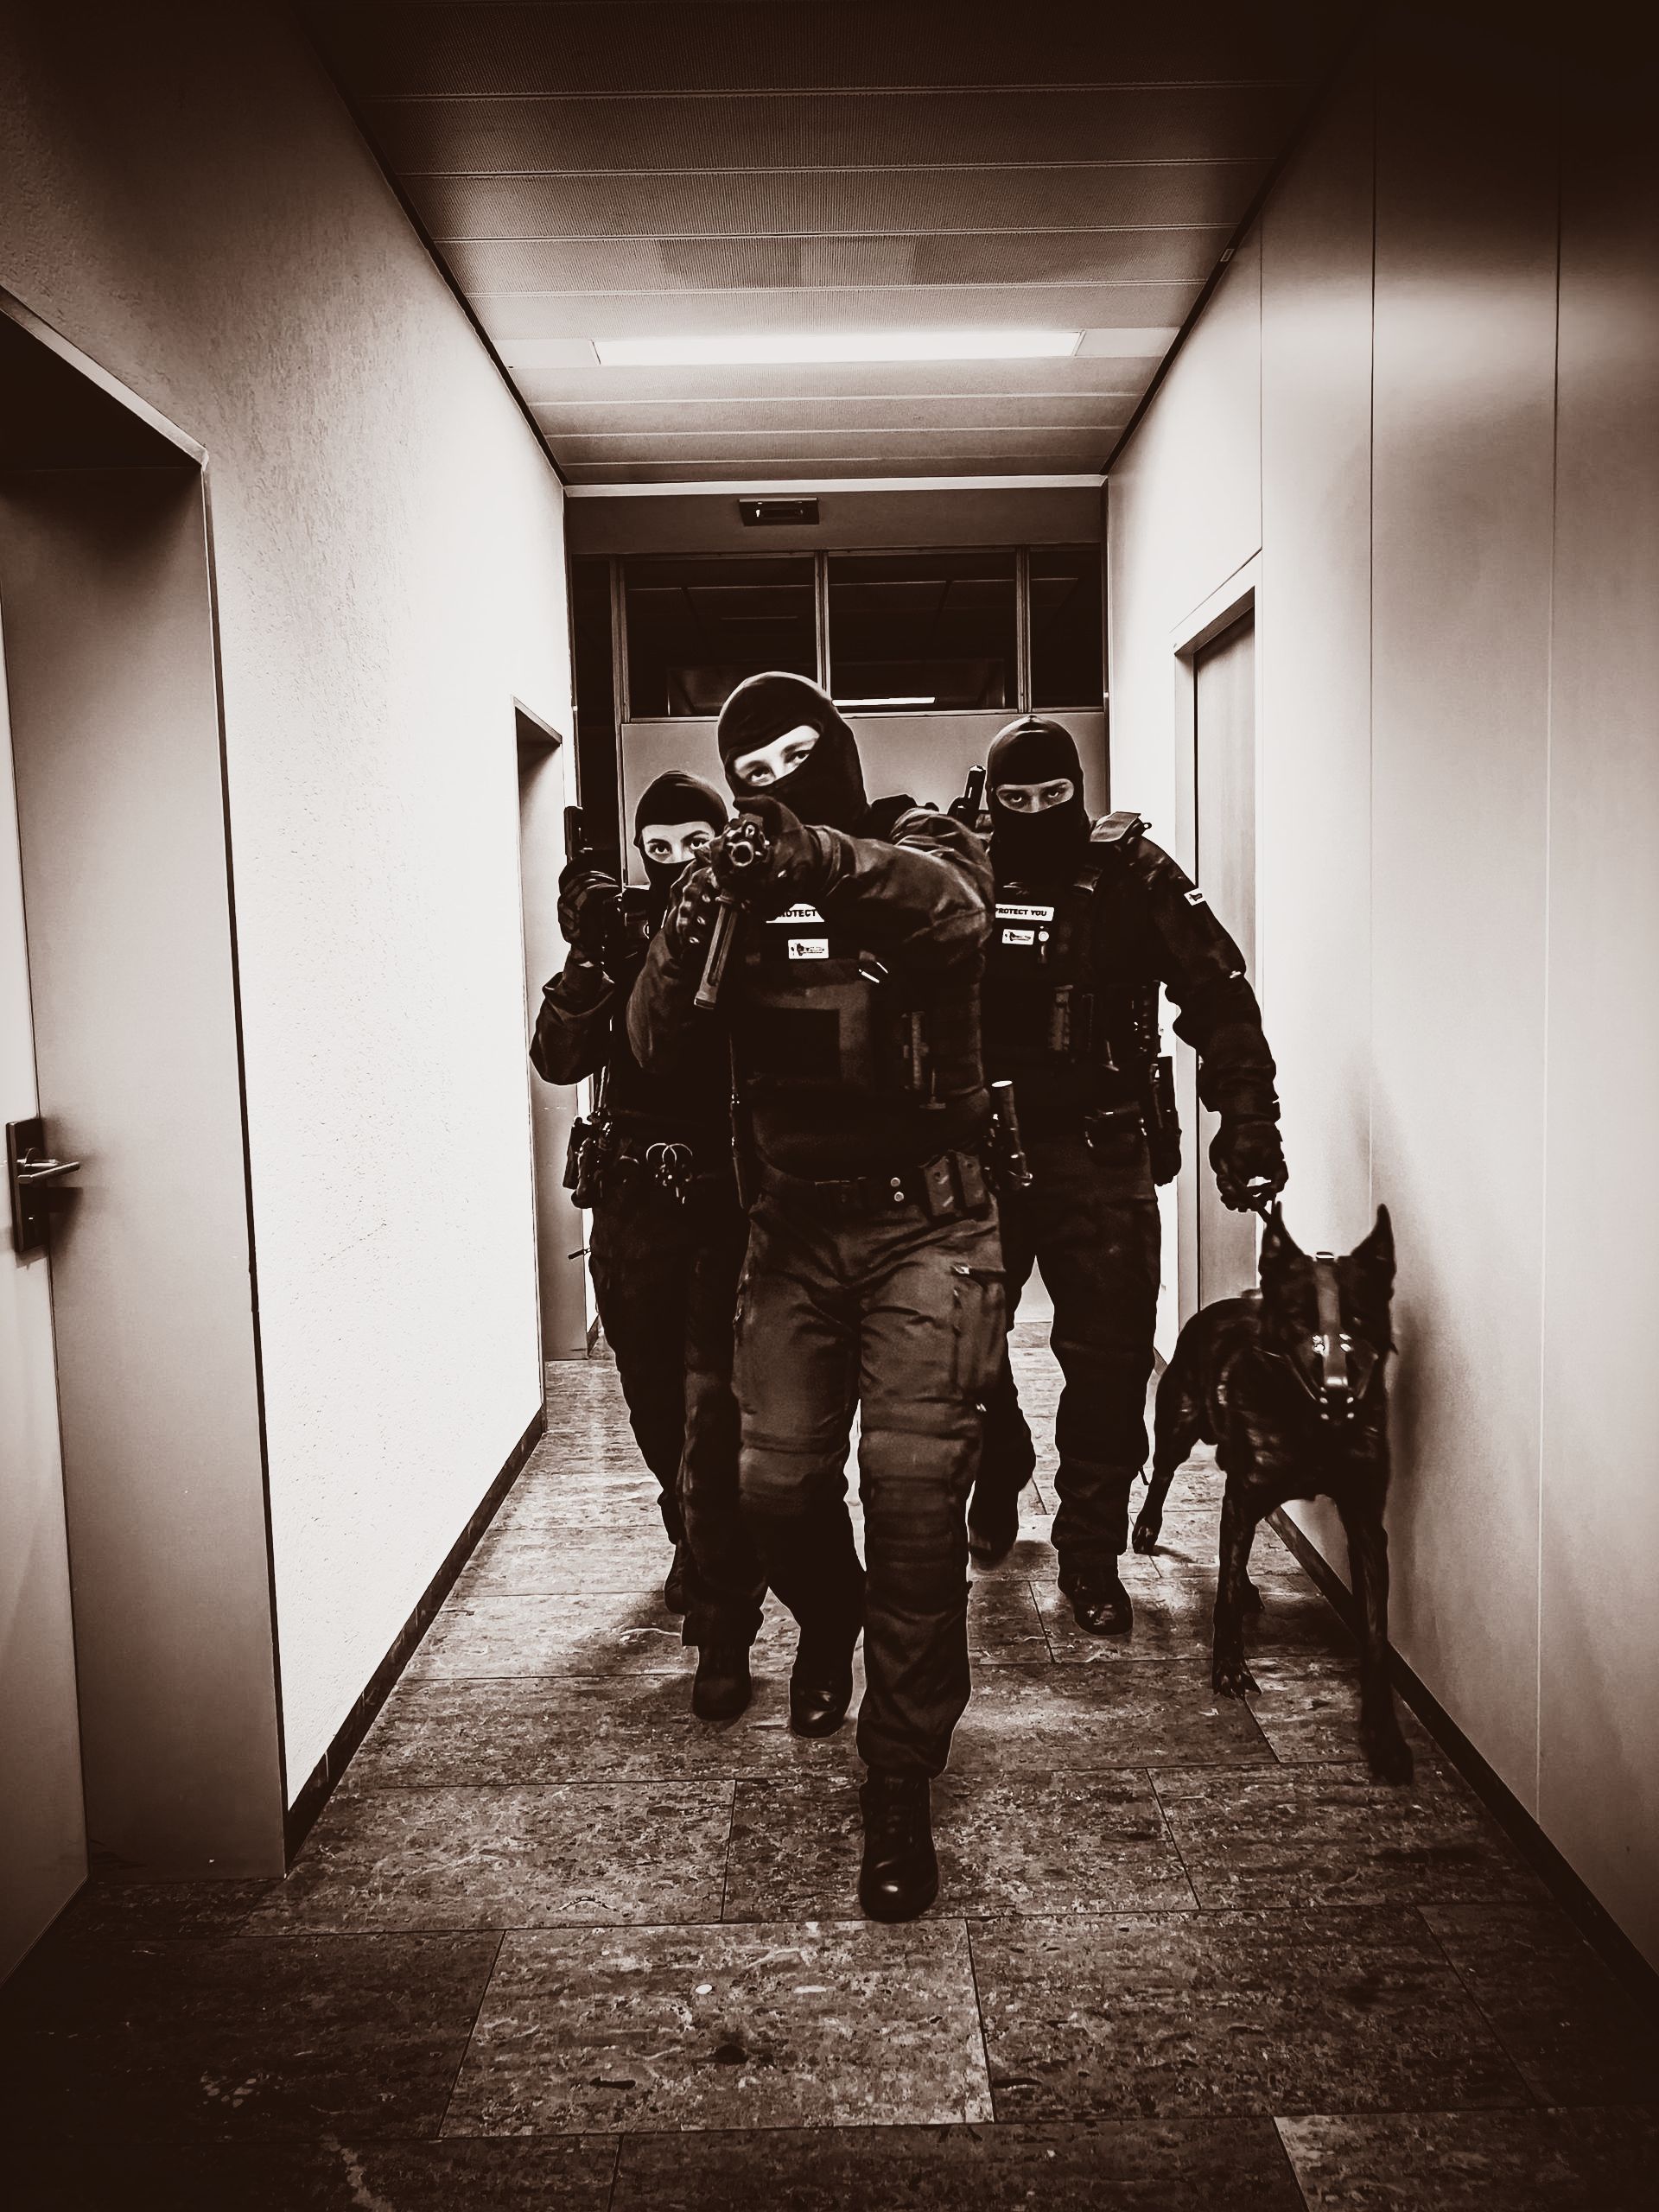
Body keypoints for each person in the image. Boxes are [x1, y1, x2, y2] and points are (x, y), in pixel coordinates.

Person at [628, 673, 1001, 1922]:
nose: (780, 785)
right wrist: (693, 917)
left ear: (837, 751)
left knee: (914, 1505)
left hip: (929, 1226)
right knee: (773, 1487)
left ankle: (899, 1775)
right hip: (790, 1231)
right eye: (757, 775)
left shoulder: (918, 842)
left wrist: (817, 857)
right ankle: (830, 1616)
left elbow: (956, 916)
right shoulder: (729, 887)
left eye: (801, 756)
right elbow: (655, 1045)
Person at [969, 715, 1286, 1633]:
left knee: (1108, 1368)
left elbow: (1220, 996)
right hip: (978, 1154)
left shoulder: (1134, 875)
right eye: (1015, 798)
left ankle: (1089, 1550)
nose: (1035, 812)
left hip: (1100, 1155)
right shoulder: (959, 874)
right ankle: (999, 1457)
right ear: (992, 800)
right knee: (958, 1352)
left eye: (1054, 796)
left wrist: (1248, 1118)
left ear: (1081, 790)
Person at [531, 769, 766, 1720]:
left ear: (723, 840)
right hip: (633, 1216)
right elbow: (558, 1057)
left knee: (716, 1418)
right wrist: (591, 953)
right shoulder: (621, 934)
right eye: (656, 849)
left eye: (694, 844)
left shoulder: (749, 925)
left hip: (727, 1212)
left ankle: (723, 1619)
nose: (674, 864)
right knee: (655, 1407)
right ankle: (690, 1536)